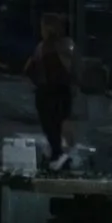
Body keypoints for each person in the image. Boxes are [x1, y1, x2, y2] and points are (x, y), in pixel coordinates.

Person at [24, 12, 76, 172]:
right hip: (59, 91)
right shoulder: (66, 45)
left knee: (52, 125)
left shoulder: (47, 47)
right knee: (56, 124)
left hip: (50, 92)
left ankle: (57, 153)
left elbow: (30, 68)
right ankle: (56, 152)